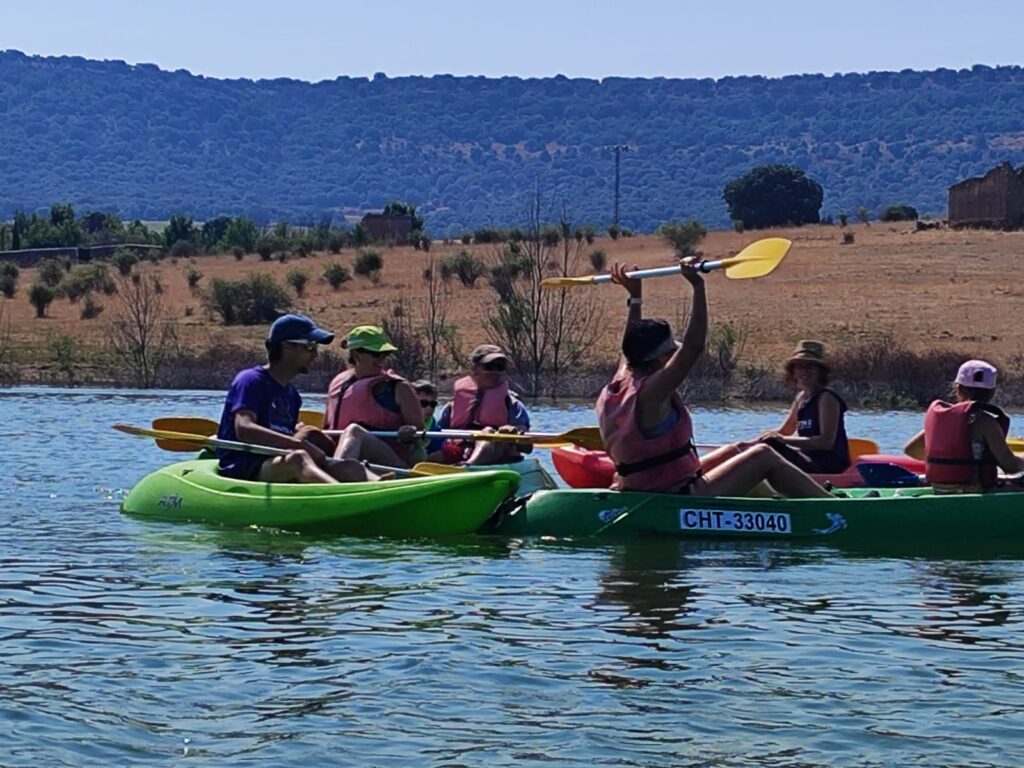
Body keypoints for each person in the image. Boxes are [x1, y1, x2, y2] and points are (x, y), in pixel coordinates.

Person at [596, 261, 832, 498]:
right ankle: (832, 509)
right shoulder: (652, 392)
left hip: (650, 484)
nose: (673, 358)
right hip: (673, 494)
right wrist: (698, 286)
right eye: (670, 354)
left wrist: (635, 297)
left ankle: (775, 500)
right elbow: (693, 347)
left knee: (739, 449)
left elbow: (631, 342)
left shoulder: (621, 378)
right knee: (763, 455)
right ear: (661, 357)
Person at [215, 314, 373, 484]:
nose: (315, 355)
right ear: (287, 347)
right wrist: (300, 445)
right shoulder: (250, 380)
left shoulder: (292, 396)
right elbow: (244, 429)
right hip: (244, 466)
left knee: (351, 467)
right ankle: (344, 497)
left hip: (277, 463)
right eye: (310, 347)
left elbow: (284, 435)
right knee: (298, 458)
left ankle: (386, 490)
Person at [904, 359, 1024, 493]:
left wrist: (947, 463)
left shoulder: (944, 419)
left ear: (958, 389)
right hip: (974, 490)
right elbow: (1010, 465)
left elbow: (911, 450)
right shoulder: (986, 422)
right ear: (992, 392)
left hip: (940, 488)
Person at [732, 341, 851, 475]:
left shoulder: (827, 398)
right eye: (800, 367)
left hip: (828, 465)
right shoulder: (801, 397)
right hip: (808, 459)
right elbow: (786, 430)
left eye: (810, 367)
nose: (804, 372)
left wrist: (782, 440)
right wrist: (749, 444)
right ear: (793, 372)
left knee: (770, 448)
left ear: (820, 371)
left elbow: (826, 442)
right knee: (767, 444)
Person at [323, 325, 424, 468]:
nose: (382, 359)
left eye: (385, 354)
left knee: (354, 431)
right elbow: (326, 428)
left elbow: (420, 432)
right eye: (376, 354)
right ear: (356, 355)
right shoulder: (337, 384)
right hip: (345, 456)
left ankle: (335, 478)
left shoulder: (399, 388)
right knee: (311, 434)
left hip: (391, 463)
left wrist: (410, 431)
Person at [434, 344, 532, 465]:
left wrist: (513, 433)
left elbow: (528, 448)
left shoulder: (513, 404)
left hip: (498, 456)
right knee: (436, 453)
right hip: (460, 451)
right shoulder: (451, 407)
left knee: (488, 432)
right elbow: (437, 436)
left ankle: (469, 466)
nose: (495, 372)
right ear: (475, 369)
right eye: (489, 367)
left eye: (500, 367)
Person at [411, 379, 446, 463]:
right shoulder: (398, 420)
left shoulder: (434, 426)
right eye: (423, 403)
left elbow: (437, 450)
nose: (429, 408)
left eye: (433, 404)